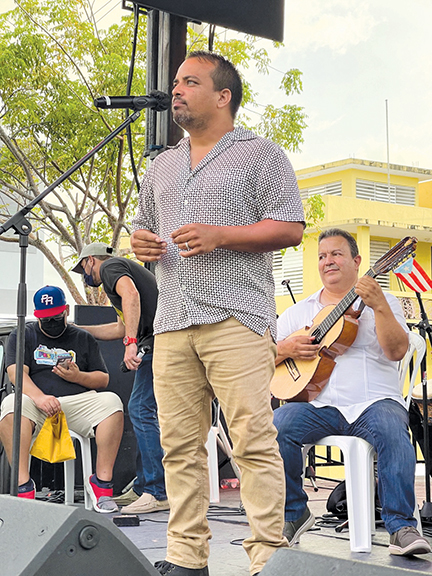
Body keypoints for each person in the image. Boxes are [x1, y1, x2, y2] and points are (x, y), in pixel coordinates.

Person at [130, 51, 305, 576]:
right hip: (173, 321)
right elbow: (144, 226)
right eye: (176, 82)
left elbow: (291, 227)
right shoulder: (161, 164)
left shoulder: (261, 154)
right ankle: (187, 558)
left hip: (236, 318)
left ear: (223, 95)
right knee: (179, 447)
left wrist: (220, 235)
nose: (176, 90)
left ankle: (268, 558)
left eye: (189, 82)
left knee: (252, 440)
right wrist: (142, 243)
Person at [273, 228, 431, 556]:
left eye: (336, 254)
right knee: (277, 424)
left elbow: (398, 351)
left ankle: (400, 527)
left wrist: (380, 308)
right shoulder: (300, 312)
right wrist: (286, 347)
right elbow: (259, 354)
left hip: (375, 402)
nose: (327, 261)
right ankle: (295, 513)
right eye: (322, 256)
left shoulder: (384, 301)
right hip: (322, 405)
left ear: (357, 261)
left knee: (392, 428)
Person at [0, 285, 124, 513]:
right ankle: (23, 486)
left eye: (56, 316)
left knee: (112, 402)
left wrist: (78, 376)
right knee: (10, 405)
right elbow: (15, 372)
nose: (51, 321)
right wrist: (40, 397)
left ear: (66, 310)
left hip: (76, 404)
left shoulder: (82, 337)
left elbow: (102, 379)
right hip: (36, 403)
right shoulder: (24, 333)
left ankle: (102, 486)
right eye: (45, 318)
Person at [72, 242, 168, 514]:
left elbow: (132, 296)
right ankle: (144, 488)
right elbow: (121, 326)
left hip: (158, 340)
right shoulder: (119, 272)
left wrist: (130, 343)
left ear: (91, 260)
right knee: (142, 410)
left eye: (83, 269)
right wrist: (79, 329)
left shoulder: (111, 266)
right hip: (155, 338)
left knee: (140, 408)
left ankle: (157, 491)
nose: (85, 275)